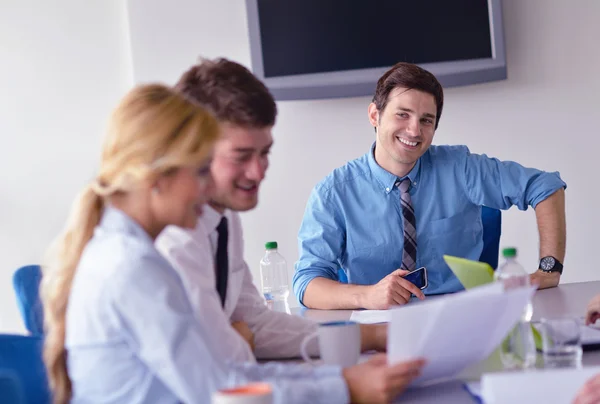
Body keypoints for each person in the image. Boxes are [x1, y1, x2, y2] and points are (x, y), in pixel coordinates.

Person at [40, 83, 424, 404]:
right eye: (201, 171)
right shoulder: (134, 266)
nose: (208, 187)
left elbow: (225, 369)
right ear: (156, 175)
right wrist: (344, 388)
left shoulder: (128, 252)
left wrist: (342, 379)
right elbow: (217, 388)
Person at [156, 58, 387, 361]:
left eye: (264, 152)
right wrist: (347, 386)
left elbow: (255, 324)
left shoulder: (223, 217)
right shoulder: (174, 241)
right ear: (193, 150)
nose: (258, 171)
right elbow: (213, 366)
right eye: (241, 156)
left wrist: (371, 335)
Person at [293, 61, 567, 310]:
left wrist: (548, 269)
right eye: (403, 114)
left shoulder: (460, 167)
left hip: (461, 316)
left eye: (426, 120)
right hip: (379, 327)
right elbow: (307, 283)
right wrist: (367, 295)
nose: (414, 131)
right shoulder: (334, 193)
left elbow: (545, 186)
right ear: (375, 116)